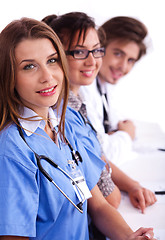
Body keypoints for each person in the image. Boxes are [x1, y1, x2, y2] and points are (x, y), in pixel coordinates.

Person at [0, 17, 156, 240]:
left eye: (52, 61)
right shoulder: (12, 150)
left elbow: (99, 207)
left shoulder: (61, 125)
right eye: (29, 66)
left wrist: (130, 237)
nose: (47, 76)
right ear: (8, 76)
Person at [80, 16, 148, 166]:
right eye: (118, 54)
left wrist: (118, 134)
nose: (123, 67)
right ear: (99, 48)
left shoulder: (104, 86)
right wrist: (126, 135)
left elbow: (119, 123)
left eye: (130, 60)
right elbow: (104, 156)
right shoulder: (83, 90)